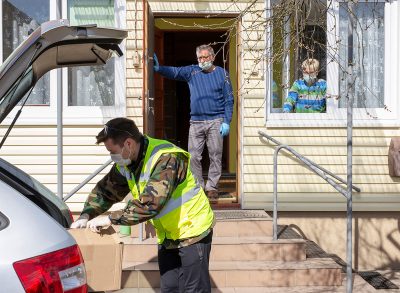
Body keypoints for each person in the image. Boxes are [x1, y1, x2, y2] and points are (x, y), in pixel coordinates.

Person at [70, 117, 215, 293]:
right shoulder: (127, 163)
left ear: (128, 144)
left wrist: (110, 219)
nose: (111, 157)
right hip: (169, 234)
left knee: (194, 290)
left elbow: (150, 205)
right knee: (170, 288)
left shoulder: (166, 158)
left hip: (193, 230)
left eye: (112, 151)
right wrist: (87, 214)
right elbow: (106, 191)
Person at [153, 44, 234, 202]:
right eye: (199, 58)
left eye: (204, 57)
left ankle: (212, 187)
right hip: (196, 121)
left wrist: (226, 121)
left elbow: (229, 100)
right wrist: (159, 69)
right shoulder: (192, 71)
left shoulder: (223, 74)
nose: (202, 60)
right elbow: (175, 72)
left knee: (215, 155)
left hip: (216, 121)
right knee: (194, 156)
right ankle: (198, 186)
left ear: (212, 57)